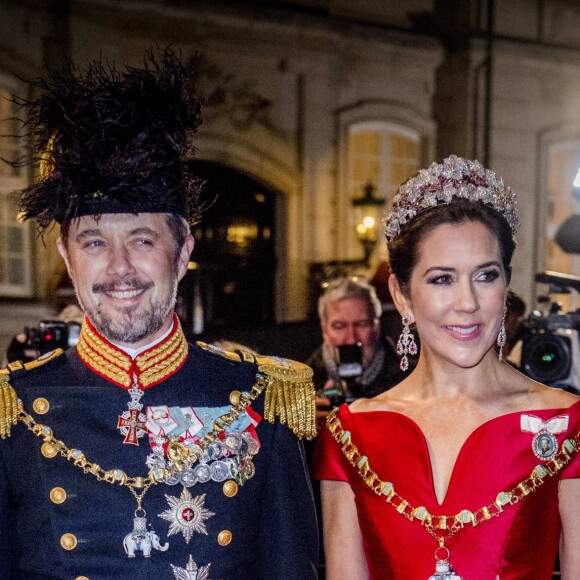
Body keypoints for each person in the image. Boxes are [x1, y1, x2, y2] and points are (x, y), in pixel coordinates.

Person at [0, 49, 318, 579]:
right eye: (94, 240)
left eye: (142, 239)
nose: (119, 268)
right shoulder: (12, 409)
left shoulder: (264, 396)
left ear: (184, 249)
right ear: (65, 257)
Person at [314, 156, 580, 579]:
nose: (468, 303)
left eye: (486, 276)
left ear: (505, 286)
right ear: (401, 297)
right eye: (441, 279)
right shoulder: (351, 435)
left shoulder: (566, 423)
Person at [306, 277, 406, 426]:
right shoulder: (302, 385)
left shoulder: (409, 378)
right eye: (339, 326)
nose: (351, 339)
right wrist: (304, 428)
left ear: (376, 328)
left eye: (361, 324)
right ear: (324, 331)